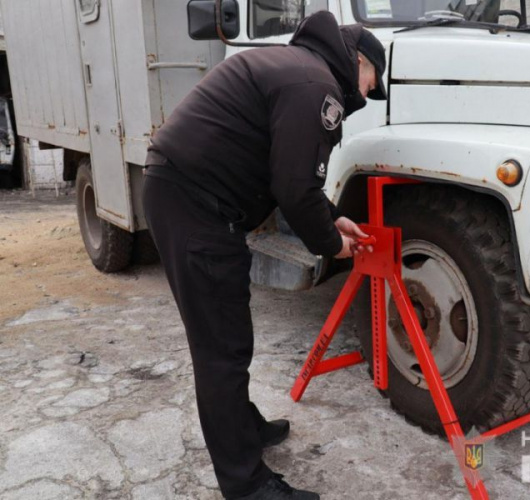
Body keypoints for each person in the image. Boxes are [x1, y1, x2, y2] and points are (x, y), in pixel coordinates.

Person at [141, 11, 386, 500]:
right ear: (358, 61)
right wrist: (331, 245)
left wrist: (332, 215)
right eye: (371, 83)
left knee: (229, 335)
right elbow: (295, 188)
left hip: (188, 196)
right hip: (195, 205)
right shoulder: (317, 86)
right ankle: (247, 485)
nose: (367, 95)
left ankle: (243, 427)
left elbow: (288, 172)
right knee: (221, 350)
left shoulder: (297, 66)